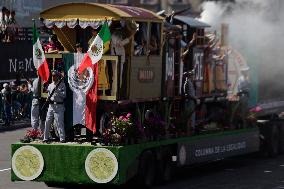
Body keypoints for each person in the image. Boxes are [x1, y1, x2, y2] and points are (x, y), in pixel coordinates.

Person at [110, 25, 134, 95]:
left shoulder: (118, 36)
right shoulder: (114, 36)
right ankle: (114, 94)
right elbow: (120, 43)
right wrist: (130, 37)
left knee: (118, 76)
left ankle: (117, 93)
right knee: (116, 76)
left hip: (120, 59)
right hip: (116, 59)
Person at [43, 70, 66, 142]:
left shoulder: (62, 85)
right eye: (52, 76)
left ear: (57, 76)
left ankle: (62, 138)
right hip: (51, 105)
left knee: (59, 123)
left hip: (59, 105)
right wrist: (47, 99)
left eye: (54, 76)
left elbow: (64, 95)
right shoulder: (50, 85)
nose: (53, 77)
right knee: (47, 122)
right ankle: (45, 138)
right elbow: (49, 95)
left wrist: (58, 91)